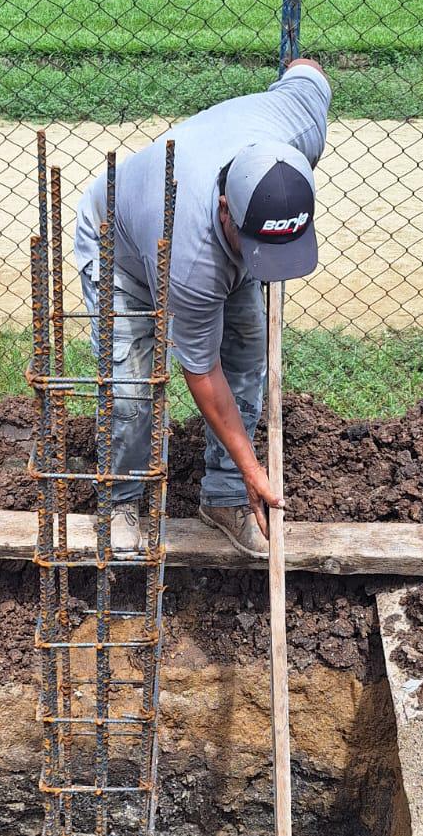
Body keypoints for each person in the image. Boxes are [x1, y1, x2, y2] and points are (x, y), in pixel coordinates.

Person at [74, 59, 330, 559]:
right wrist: (258, 468)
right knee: (132, 390)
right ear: (225, 212)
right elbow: (202, 373)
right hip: (122, 247)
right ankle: (122, 501)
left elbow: (308, 72)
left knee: (249, 355)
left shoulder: (298, 126)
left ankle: (226, 498)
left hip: (214, 249)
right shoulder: (191, 257)